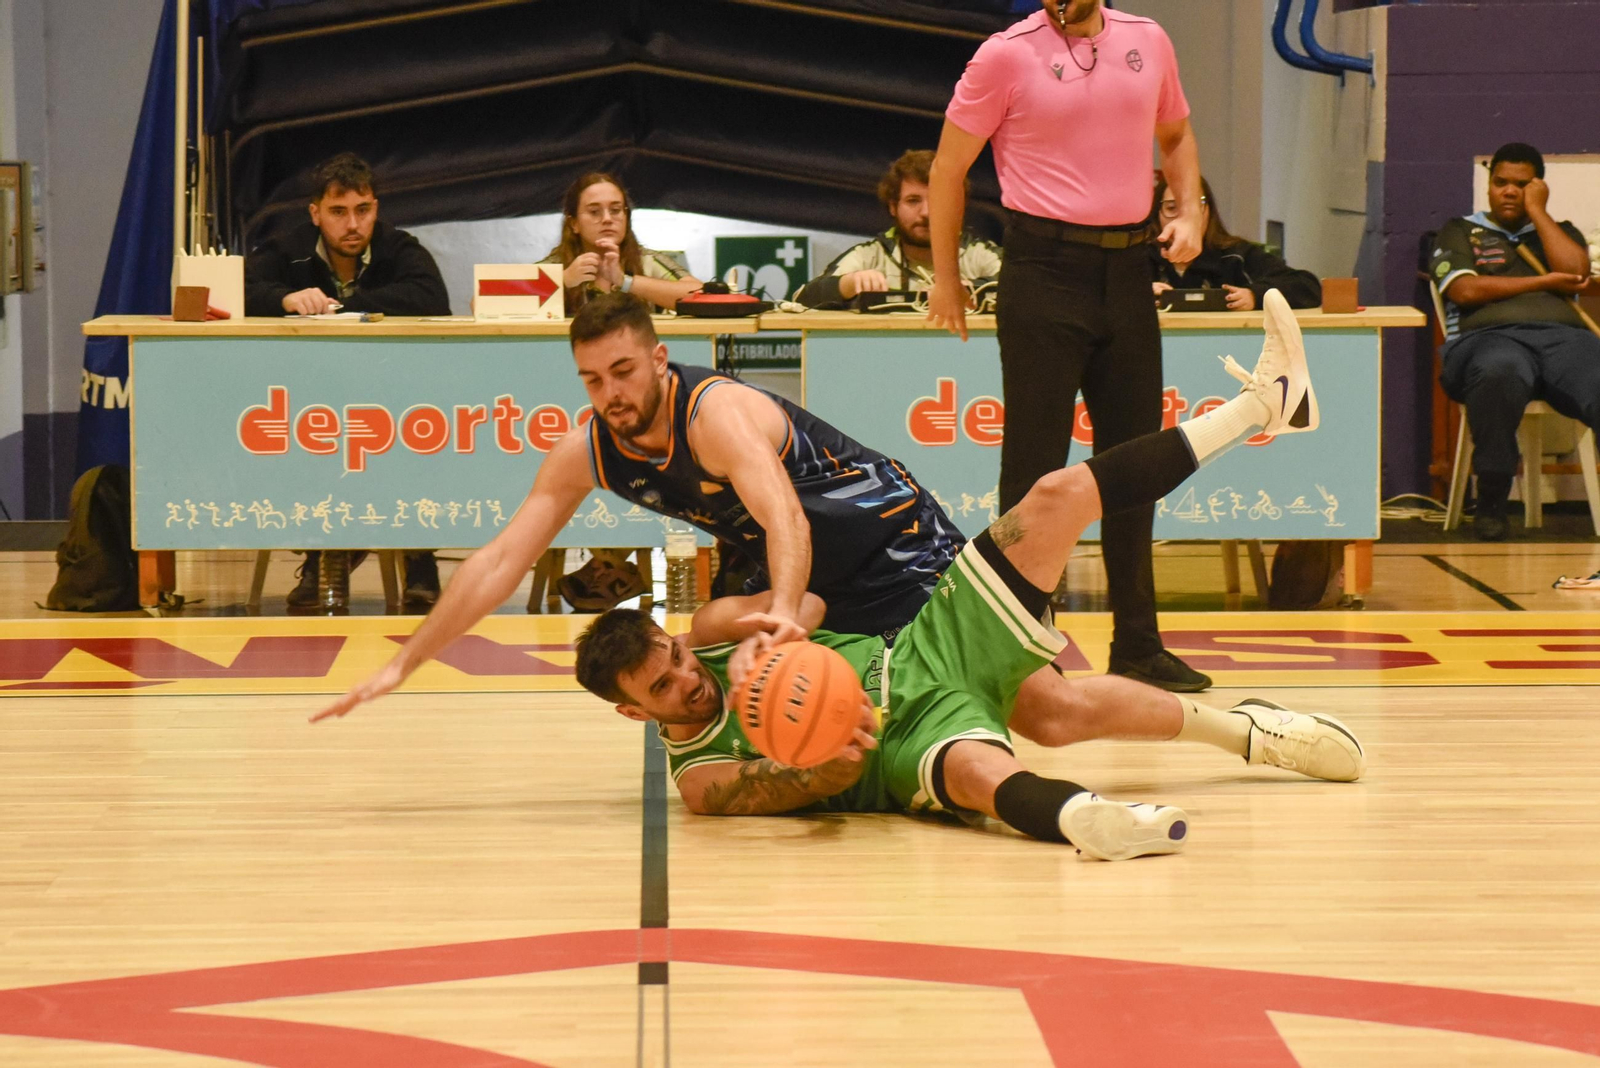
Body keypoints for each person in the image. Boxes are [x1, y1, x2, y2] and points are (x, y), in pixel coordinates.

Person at [566, 291, 1361, 862]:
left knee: (1051, 503)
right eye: (665, 691)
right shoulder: (701, 779)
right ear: (636, 716)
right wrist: (819, 764)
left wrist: (772, 636)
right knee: (1003, 758)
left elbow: (802, 599)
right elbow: (786, 788)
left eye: (673, 662)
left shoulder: (703, 642)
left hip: (921, 646)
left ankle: (1262, 410)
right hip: (900, 739)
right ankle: (1091, 820)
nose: (688, 683)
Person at [313, 291, 964, 721]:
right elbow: (500, 561)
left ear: (658, 359)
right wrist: (405, 661)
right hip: (812, 572)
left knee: (1037, 708)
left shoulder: (715, 416)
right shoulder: (587, 450)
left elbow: (785, 518)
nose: (610, 393)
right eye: (593, 380)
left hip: (889, 534)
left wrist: (783, 618)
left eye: (622, 370)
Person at [925, 0, 1211, 693]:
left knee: (1134, 462)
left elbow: (1175, 136)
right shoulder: (1005, 54)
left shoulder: (1149, 40)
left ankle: (1139, 644)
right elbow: (946, 169)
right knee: (1033, 470)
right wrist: (945, 279)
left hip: (1128, 273)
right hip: (1042, 272)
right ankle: (1019, 647)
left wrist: (1190, 210)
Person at [244, 152, 451, 609]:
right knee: (316, 441)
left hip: (394, 400)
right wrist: (284, 298)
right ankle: (323, 558)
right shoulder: (287, 249)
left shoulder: (400, 247)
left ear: (376, 208)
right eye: (338, 212)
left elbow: (431, 297)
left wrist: (350, 304)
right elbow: (236, 289)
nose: (353, 224)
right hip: (312, 404)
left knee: (418, 435)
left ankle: (419, 561)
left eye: (364, 210)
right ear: (316, 213)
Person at [540, 172, 707, 608]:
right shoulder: (555, 264)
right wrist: (562, 282)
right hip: (564, 401)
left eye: (616, 210)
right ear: (574, 222)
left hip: (643, 408)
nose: (608, 219)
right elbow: (485, 302)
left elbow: (700, 295)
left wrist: (628, 282)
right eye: (594, 212)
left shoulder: (646, 261)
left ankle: (609, 566)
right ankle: (610, 566)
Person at [1430, 142, 1600, 541]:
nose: (1509, 191)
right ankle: (1492, 500)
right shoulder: (1461, 230)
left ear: (1538, 187)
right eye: (1501, 182)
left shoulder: (1561, 232)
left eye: (1521, 185)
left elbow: (1576, 272)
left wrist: (1538, 212)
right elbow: (1465, 291)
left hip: (1562, 342)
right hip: (1486, 341)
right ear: (1489, 186)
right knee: (1500, 371)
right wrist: (1542, 282)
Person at [793, 150, 1002, 309]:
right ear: (893, 206)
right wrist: (847, 285)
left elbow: (1030, 289)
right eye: (913, 201)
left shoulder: (979, 254)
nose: (926, 213)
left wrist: (977, 288)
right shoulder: (870, 255)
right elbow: (801, 299)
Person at [1149, 177, 1321, 311]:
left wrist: (1255, 296)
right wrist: (1138, 296)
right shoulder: (1140, 256)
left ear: (1208, 211)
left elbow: (1308, 286)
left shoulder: (1235, 255)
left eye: (1194, 207)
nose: (1183, 219)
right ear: (1157, 215)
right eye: (1171, 208)